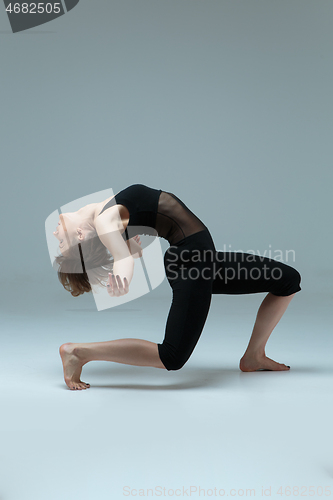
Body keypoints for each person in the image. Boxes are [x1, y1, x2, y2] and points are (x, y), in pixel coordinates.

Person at [53, 184, 301, 390]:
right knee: (172, 356)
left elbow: (129, 248)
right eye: (63, 240)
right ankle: (79, 352)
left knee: (287, 279)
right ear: (81, 235)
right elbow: (125, 258)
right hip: (191, 262)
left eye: (58, 238)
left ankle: (254, 356)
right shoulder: (105, 221)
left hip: (204, 260)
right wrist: (122, 274)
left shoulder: (102, 211)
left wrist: (127, 244)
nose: (55, 235)